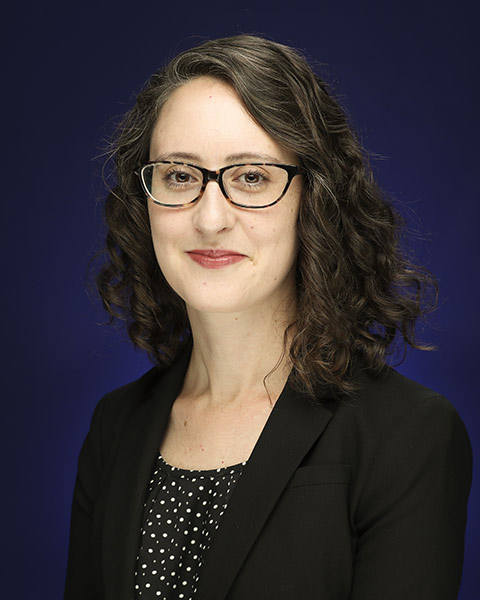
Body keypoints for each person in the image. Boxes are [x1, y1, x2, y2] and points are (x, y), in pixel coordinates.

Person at [65, 35, 472, 600]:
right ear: (146, 199)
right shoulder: (115, 427)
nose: (210, 219)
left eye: (252, 176)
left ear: (316, 200)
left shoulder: (407, 434)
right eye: (180, 176)